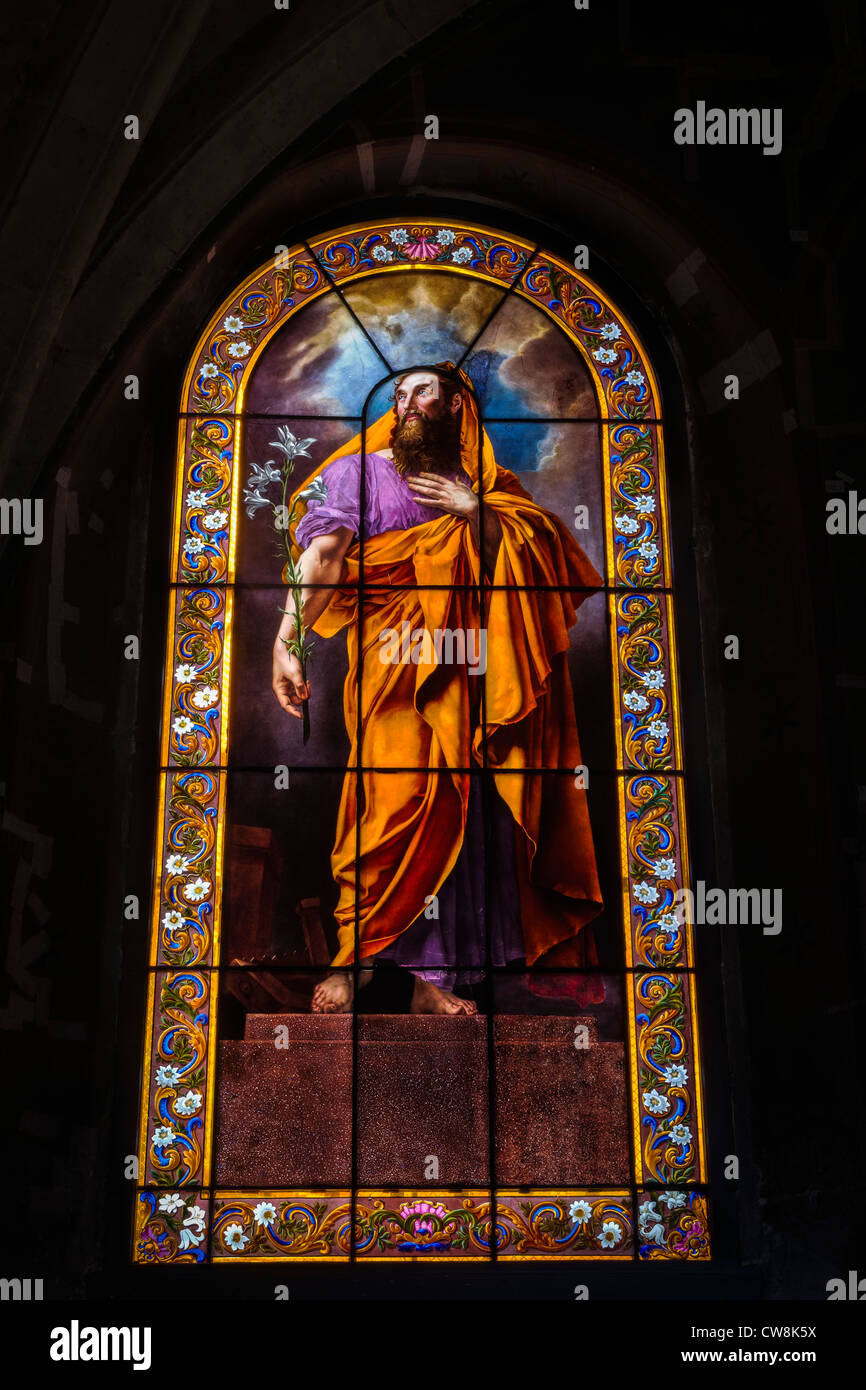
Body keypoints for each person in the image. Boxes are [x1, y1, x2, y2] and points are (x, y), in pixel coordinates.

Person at [272, 362, 603, 1014]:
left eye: (423, 391)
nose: (407, 403)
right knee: (391, 803)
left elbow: (541, 562)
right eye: (399, 394)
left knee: (463, 813)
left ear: (457, 405)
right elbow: (324, 558)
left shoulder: (490, 488)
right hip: (392, 670)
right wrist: (288, 639)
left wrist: (479, 516)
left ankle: (436, 980)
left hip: (470, 677)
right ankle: (355, 959)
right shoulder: (358, 473)